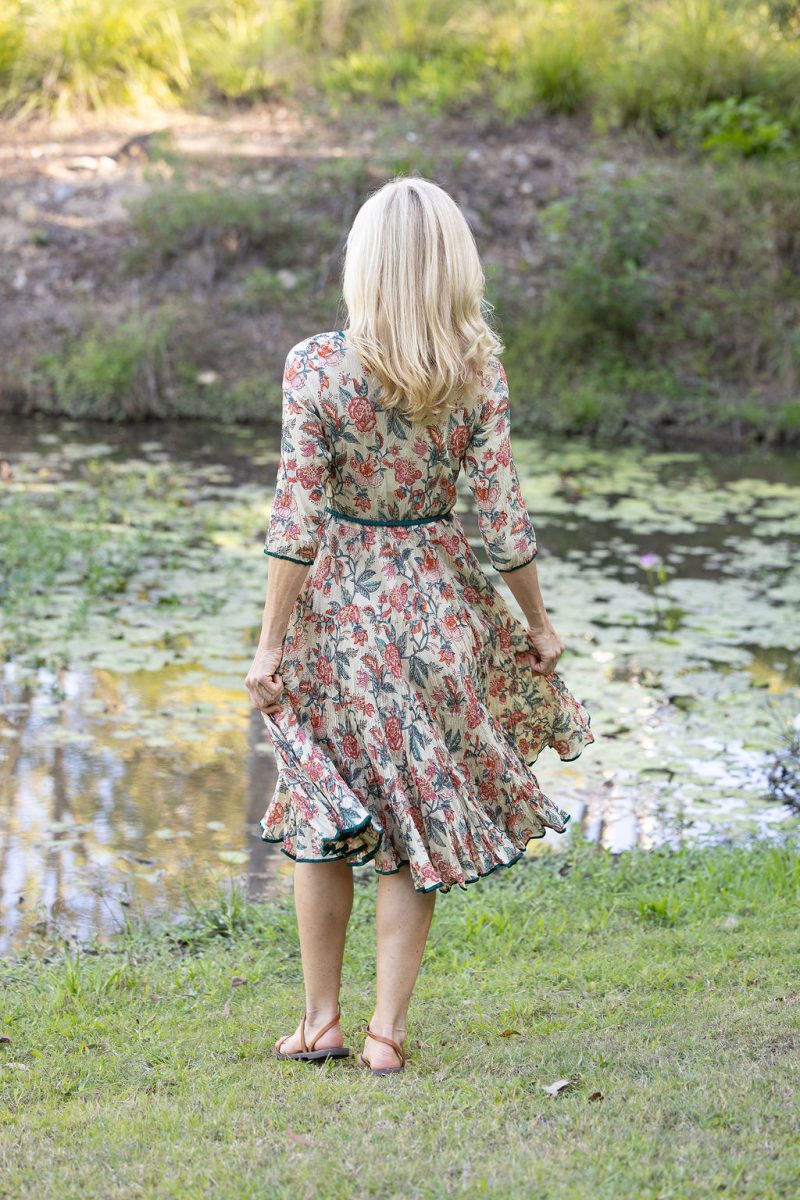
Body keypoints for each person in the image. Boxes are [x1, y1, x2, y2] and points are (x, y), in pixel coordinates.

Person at [244, 176, 594, 1075]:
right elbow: (501, 517)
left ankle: (319, 1020)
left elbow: (298, 519)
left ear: (364, 262)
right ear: (452, 266)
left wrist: (271, 643)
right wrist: (540, 626)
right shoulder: (474, 371)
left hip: (341, 615)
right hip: (441, 613)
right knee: (410, 821)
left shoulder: (316, 365)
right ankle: (383, 1036)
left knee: (325, 809)